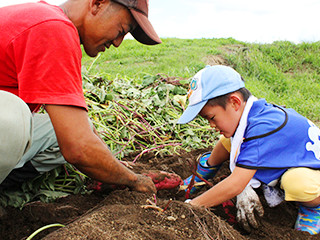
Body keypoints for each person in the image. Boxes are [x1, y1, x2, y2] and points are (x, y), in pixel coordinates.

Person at [0, 0, 162, 195]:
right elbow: (78, 147)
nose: (118, 43)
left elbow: (79, 134)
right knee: (13, 117)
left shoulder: (46, 19)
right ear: (97, 4)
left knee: (59, 133)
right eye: (121, 30)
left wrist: (114, 166)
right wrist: (133, 181)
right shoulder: (53, 28)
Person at [178, 65, 320, 235]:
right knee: (228, 140)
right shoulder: (253, 113)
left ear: (235, 102)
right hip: (290, 157)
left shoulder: (262, 128)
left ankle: (314, 207)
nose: (211, 125)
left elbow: (236, 183)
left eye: (212, 117)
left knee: (298, 183)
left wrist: (192, 206)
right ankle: (204, 171)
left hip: (311, 167)